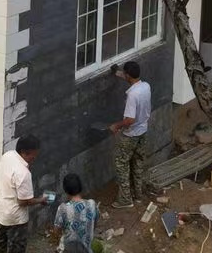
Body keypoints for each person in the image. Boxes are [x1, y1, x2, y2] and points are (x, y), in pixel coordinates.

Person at [0, 135, 48, 253]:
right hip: (15, 218)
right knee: (17, 248)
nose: (35, 157)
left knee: (0, 244)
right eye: (34, 154)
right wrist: (41, 200)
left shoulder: (8, 155)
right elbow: (23, 201)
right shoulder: (23, 173)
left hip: (1, 211)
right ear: (25, 152)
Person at [109, 61, 151, 208]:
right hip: (143, 131)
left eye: (124, 74)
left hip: (131, 135)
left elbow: (130, 120)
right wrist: (117, 73)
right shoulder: (145, 86)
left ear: (128, 75)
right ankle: (138, 194)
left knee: (121, 163)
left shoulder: (132, 95)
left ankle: (125, 199)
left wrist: (116, 126)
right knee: (138, 162)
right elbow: (131, 80)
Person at [53, 173, 100, 253]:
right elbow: (95, 222)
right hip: (87, 249)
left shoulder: (63, 208)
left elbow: (56, 231)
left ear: (65, 190)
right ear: (80, 187)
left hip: (70, 249)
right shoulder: (92, 204)